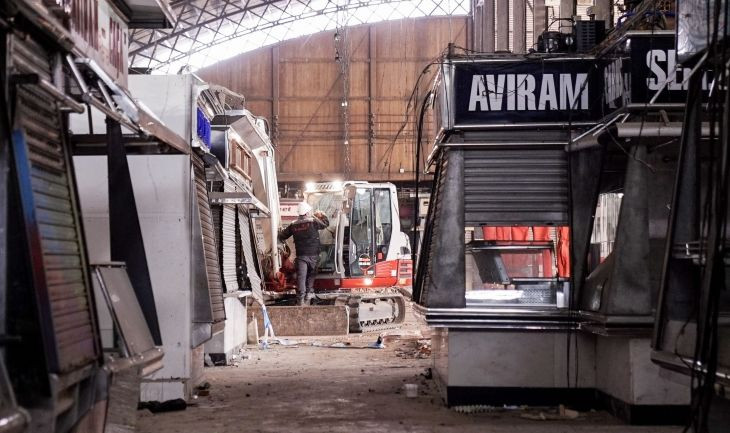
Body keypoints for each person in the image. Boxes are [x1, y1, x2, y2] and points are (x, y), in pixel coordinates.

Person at [278, 202, 329, 305]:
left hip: (301, 256)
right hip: (313, 255)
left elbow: (282, 236)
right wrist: (322, 215)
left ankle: (301, 299)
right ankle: (309, 293)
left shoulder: (293, 224)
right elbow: (326, 224)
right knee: (311, 274)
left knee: (302, 277)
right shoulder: (313, 222)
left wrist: (279, 231)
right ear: (307, 213)